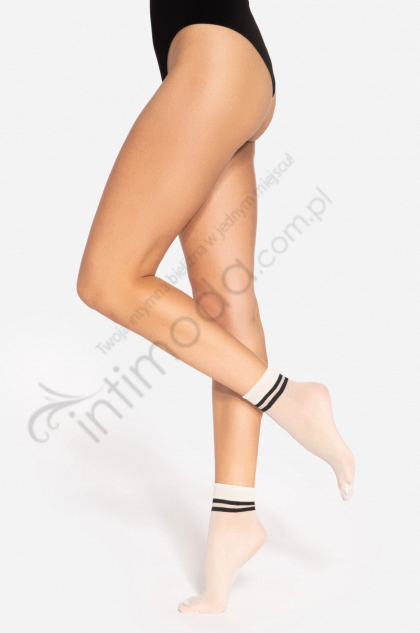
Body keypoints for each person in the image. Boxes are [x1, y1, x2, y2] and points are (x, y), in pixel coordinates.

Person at [76, 0, 355, 615]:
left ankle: (290, 399)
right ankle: (235, 516)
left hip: (215, 61)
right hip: (232, 66)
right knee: (227, 307)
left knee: (107, 279)